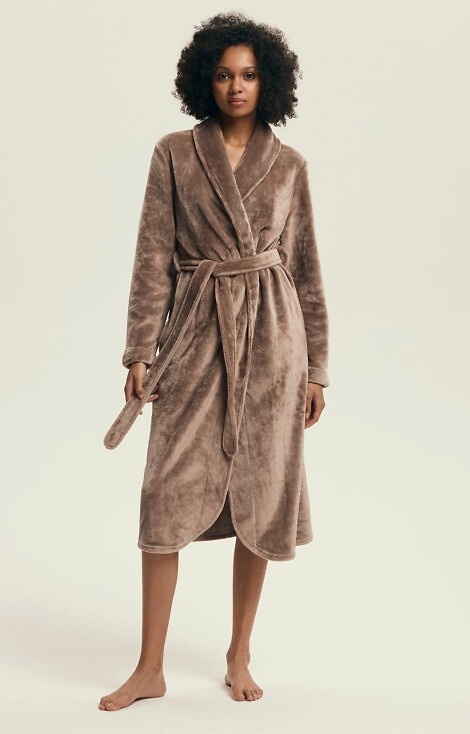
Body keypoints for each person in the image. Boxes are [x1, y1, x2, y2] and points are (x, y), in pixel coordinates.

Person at [99, 11, 329, 710]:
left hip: (273, 342)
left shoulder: (290, 166)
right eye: (225, 75)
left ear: (269, 83)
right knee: (164, 496)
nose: (236, 87)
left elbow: (306, 271)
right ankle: (150, 667)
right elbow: (153, 256)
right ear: (205, 79)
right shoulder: (174, 153)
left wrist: (316, 368)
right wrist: (140, 349)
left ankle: (239, 652)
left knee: (261, 491)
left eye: (249, 75)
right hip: (196, 337)